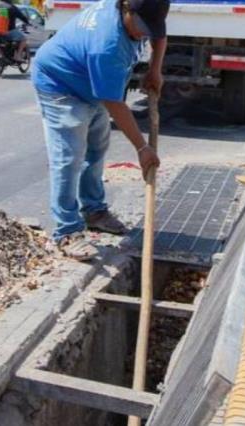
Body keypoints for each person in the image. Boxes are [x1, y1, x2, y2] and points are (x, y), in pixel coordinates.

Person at [32, 0, 169, 260]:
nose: (143, 33)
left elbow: (160, 36)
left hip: (89, 82)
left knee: (97, 147)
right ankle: (67, 230)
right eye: (141, 26)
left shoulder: (146, 10)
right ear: (127, 9)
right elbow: (114, 103)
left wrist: (155, 70)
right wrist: (142, 148)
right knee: (69, 157)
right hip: (60, 83)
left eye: (149, 28)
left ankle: (94, 211)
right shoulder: (107, 44)